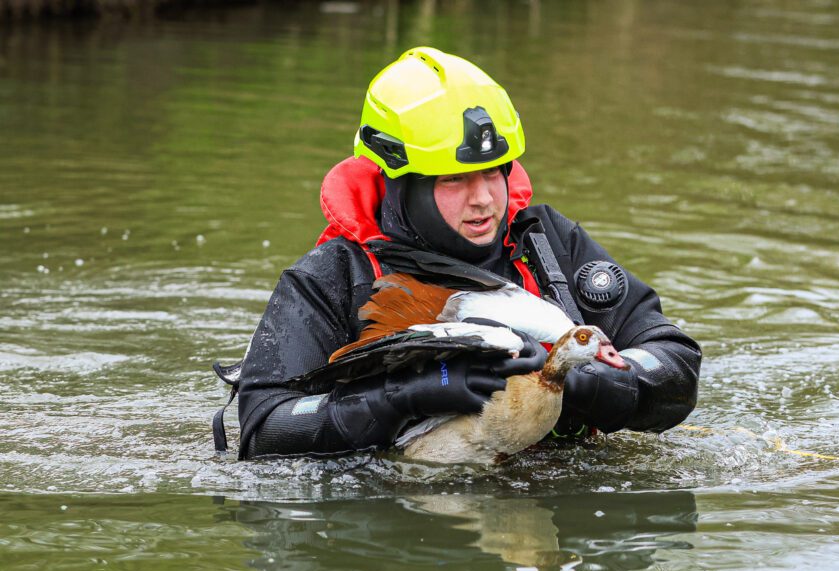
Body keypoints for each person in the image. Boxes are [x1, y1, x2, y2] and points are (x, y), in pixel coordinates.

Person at [226, 47, 700, 460]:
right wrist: (402, 396)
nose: (484, 199)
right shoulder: (331, 278)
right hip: (403, 523)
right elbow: (263, 428)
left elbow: (674, 364)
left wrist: (571, 380)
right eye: (453, 179)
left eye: (494, 172)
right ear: (397, 179)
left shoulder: (546, 244)